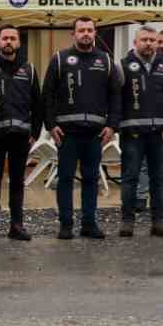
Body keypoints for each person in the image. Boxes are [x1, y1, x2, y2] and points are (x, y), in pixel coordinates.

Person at [42, 16, 122, 240]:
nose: (86, 34)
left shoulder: (105, 61)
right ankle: (66, 224)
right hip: (67, 133)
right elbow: (47, 94)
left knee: (91, 178)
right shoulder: (60, 59)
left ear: (95, 33)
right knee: (65, 179)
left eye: (89, 30)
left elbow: (116, 96)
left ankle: (89, 223)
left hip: (95, 133)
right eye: (81, 30)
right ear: (73, 34)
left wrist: (112, 126)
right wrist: (50, 125)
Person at [0, 24, 41, 241]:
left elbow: (38, 104)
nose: (9, 42)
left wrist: (36, 132)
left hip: (21, 136)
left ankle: (17, 225)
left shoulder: (29, 69)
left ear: (19, 43)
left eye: (13, 38)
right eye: (5, 38)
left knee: (17, 181)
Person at [116, 26, 163, 238]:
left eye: (152, 39)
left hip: (159, 132)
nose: (149, 43)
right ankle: (127, 221)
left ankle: (158, 221)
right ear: (135, 42)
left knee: (159, 177)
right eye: (144, 39)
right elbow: (117, 98)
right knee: (130, 177)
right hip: (132, 132)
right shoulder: (123, 66)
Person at [135, 27, 163, 214]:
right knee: (143, 163)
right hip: (140, 122)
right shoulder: (130, 64)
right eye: (157, 41)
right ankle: (141, 197)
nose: (159, 45)